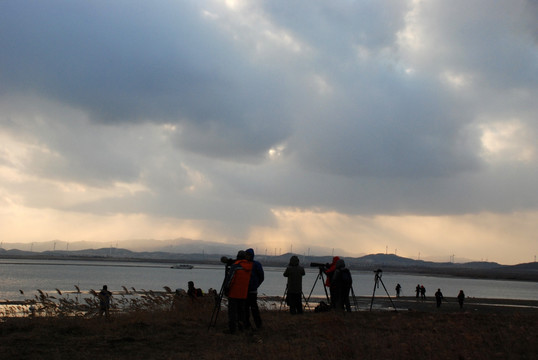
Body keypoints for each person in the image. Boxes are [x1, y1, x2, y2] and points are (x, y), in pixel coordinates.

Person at [224, 250, 252, 334]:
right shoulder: (249, 266)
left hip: (234, 292)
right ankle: (241, 328)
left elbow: (231, 279)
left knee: (232, 312)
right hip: (243, 293)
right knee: (241, 311)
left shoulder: (236, 266)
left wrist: (226, 288)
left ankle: (232, 329)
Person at [244, 248, 264, 329]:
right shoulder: (244, 264)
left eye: (248, 255)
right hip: (244, 291)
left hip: (252, 291)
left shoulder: (256, 264)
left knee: (254, 309)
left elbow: (261, 277)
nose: (247, 256)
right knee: (245, 309)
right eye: (246, 255)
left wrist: (256, 285)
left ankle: (258, 325)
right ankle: (247, 325)